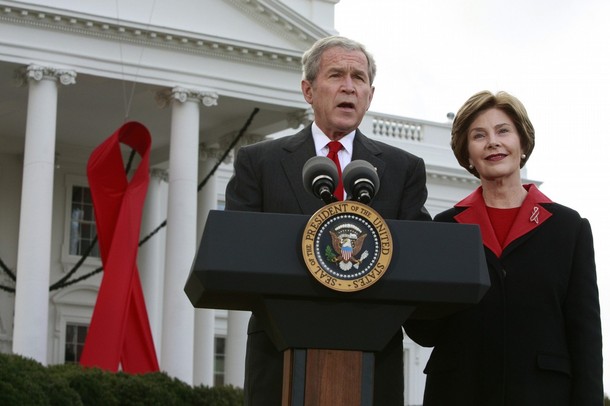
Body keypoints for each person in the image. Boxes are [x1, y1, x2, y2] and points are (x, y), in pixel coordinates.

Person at [225, 35, 431, 405]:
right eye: (336, 74)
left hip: (373, 355)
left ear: (370, 94)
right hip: (280, 354)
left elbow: (419, 257)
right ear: (308, 90)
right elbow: (238, 249)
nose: (349, 86)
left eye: (359, 78)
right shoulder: (260, 162)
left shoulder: (403, 169)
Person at [404, 90, 603, 405]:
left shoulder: (569, 228)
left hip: (542, 394)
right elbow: (424, 331)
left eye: (503, 131)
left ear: (522, 144)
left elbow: (585, 336)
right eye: (479, 135)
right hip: (459, 392)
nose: (492, 142)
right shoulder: (445, 228)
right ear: (467, 155)